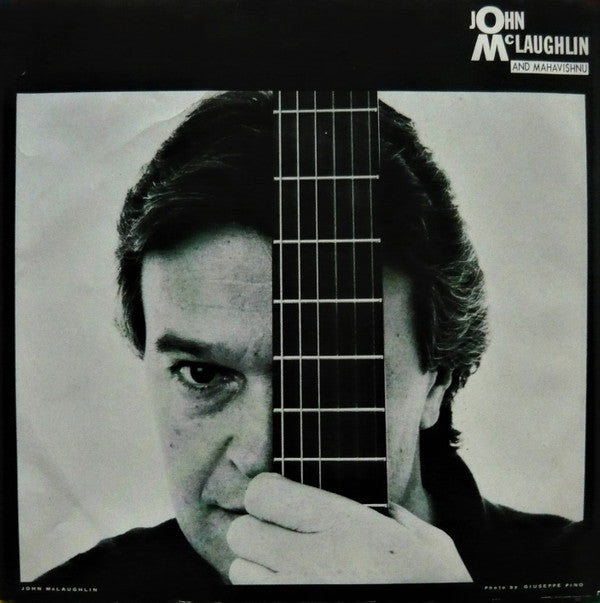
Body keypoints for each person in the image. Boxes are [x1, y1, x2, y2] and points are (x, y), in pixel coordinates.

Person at [36, 91, 588, 592]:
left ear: (437, 381)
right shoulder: (78, 592)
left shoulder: (579, 571)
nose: (261, 458)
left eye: (333, 372)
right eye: (202, 375)